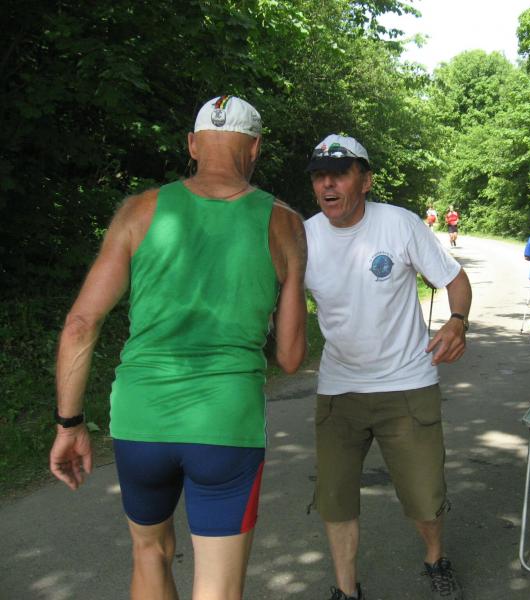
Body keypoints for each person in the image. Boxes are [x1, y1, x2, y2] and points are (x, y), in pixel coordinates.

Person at [48, 95, 308, 600]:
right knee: (217, 586)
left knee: (149, 554)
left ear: (191, 144)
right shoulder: (283, 222)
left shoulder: (140, 211)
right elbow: (292, 357)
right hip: (226, 425)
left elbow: (80, 323)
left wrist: (69, 424)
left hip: (141, 419)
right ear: (255, 148)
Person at [303, 134, 472, 600]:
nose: (327, 184)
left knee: (424, 496)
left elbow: (454, 278)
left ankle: (435, 559)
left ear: (366, 180)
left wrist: (457, 321)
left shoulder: (399, 224)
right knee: (335, 499)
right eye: (319, 176)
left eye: (340, 174)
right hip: (338, 389)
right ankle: (346, 590)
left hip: (407, 383)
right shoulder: (304, 236)